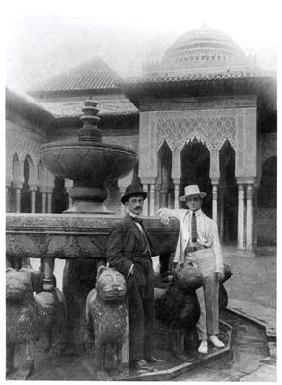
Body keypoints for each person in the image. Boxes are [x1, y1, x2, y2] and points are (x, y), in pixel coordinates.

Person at [158, 184, 225, 355]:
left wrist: (218, 267)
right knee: (199, 297)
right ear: (186, 202)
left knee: (211, 296)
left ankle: (213, 334)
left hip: (206, 255)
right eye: (190, 200)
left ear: (200, 200)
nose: (193, 202)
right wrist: (165, 215)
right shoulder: (181, 215)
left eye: (196, 199)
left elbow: (216, 245)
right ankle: (202, 337)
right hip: (189, 258)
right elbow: (163, 210)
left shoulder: (210, 222)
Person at [106, 183, 162, 374]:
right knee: (137, 316)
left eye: (140, 201)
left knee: (149, 313)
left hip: (146, 274)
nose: (138, 204)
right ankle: (136, 359)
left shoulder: (141, 223)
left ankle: (148, 354)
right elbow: (113, 257)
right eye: (134, 201)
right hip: (132, 276)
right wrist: (129, 267)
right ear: (127, 204)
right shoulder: (121, 226)